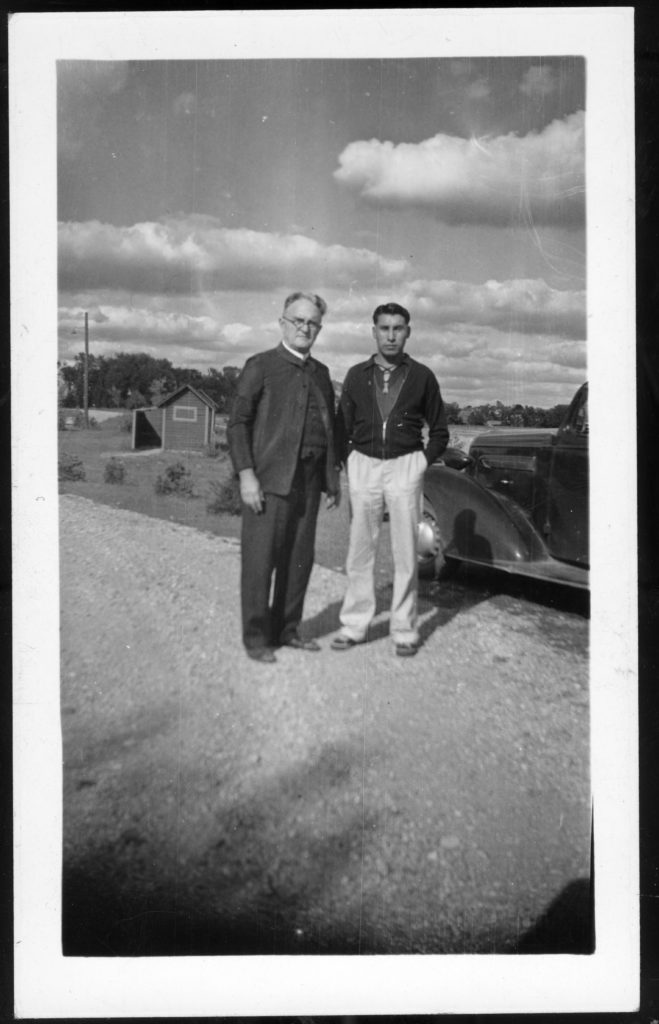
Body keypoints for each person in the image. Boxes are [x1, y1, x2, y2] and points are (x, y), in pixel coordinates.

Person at [227, 292, 341, 663]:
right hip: (268, 482)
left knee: (299, 560)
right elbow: (237, 424)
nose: (305, 328)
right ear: (282, 323)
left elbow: (329, 430)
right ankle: (257, 639)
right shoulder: (260, 366)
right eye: (299, 321)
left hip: (308, 483)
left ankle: (288, 629)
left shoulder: (321, 374)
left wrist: (331, 479)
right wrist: (247, 476)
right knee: (260, 562)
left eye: (313, 323)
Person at [332, 302, 448, 657]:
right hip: (364, 465)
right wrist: (348, 461)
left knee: (406, 553)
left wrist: (419, 464)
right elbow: (341, 428)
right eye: (384, 328)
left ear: (408, 332)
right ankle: (354, 624)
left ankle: (403, 629)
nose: (391, 335)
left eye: (398, 328)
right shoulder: (355, 375)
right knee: (360, 548)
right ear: (374, 332)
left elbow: (440, 431)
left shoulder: (422, 376)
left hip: (404, 466)